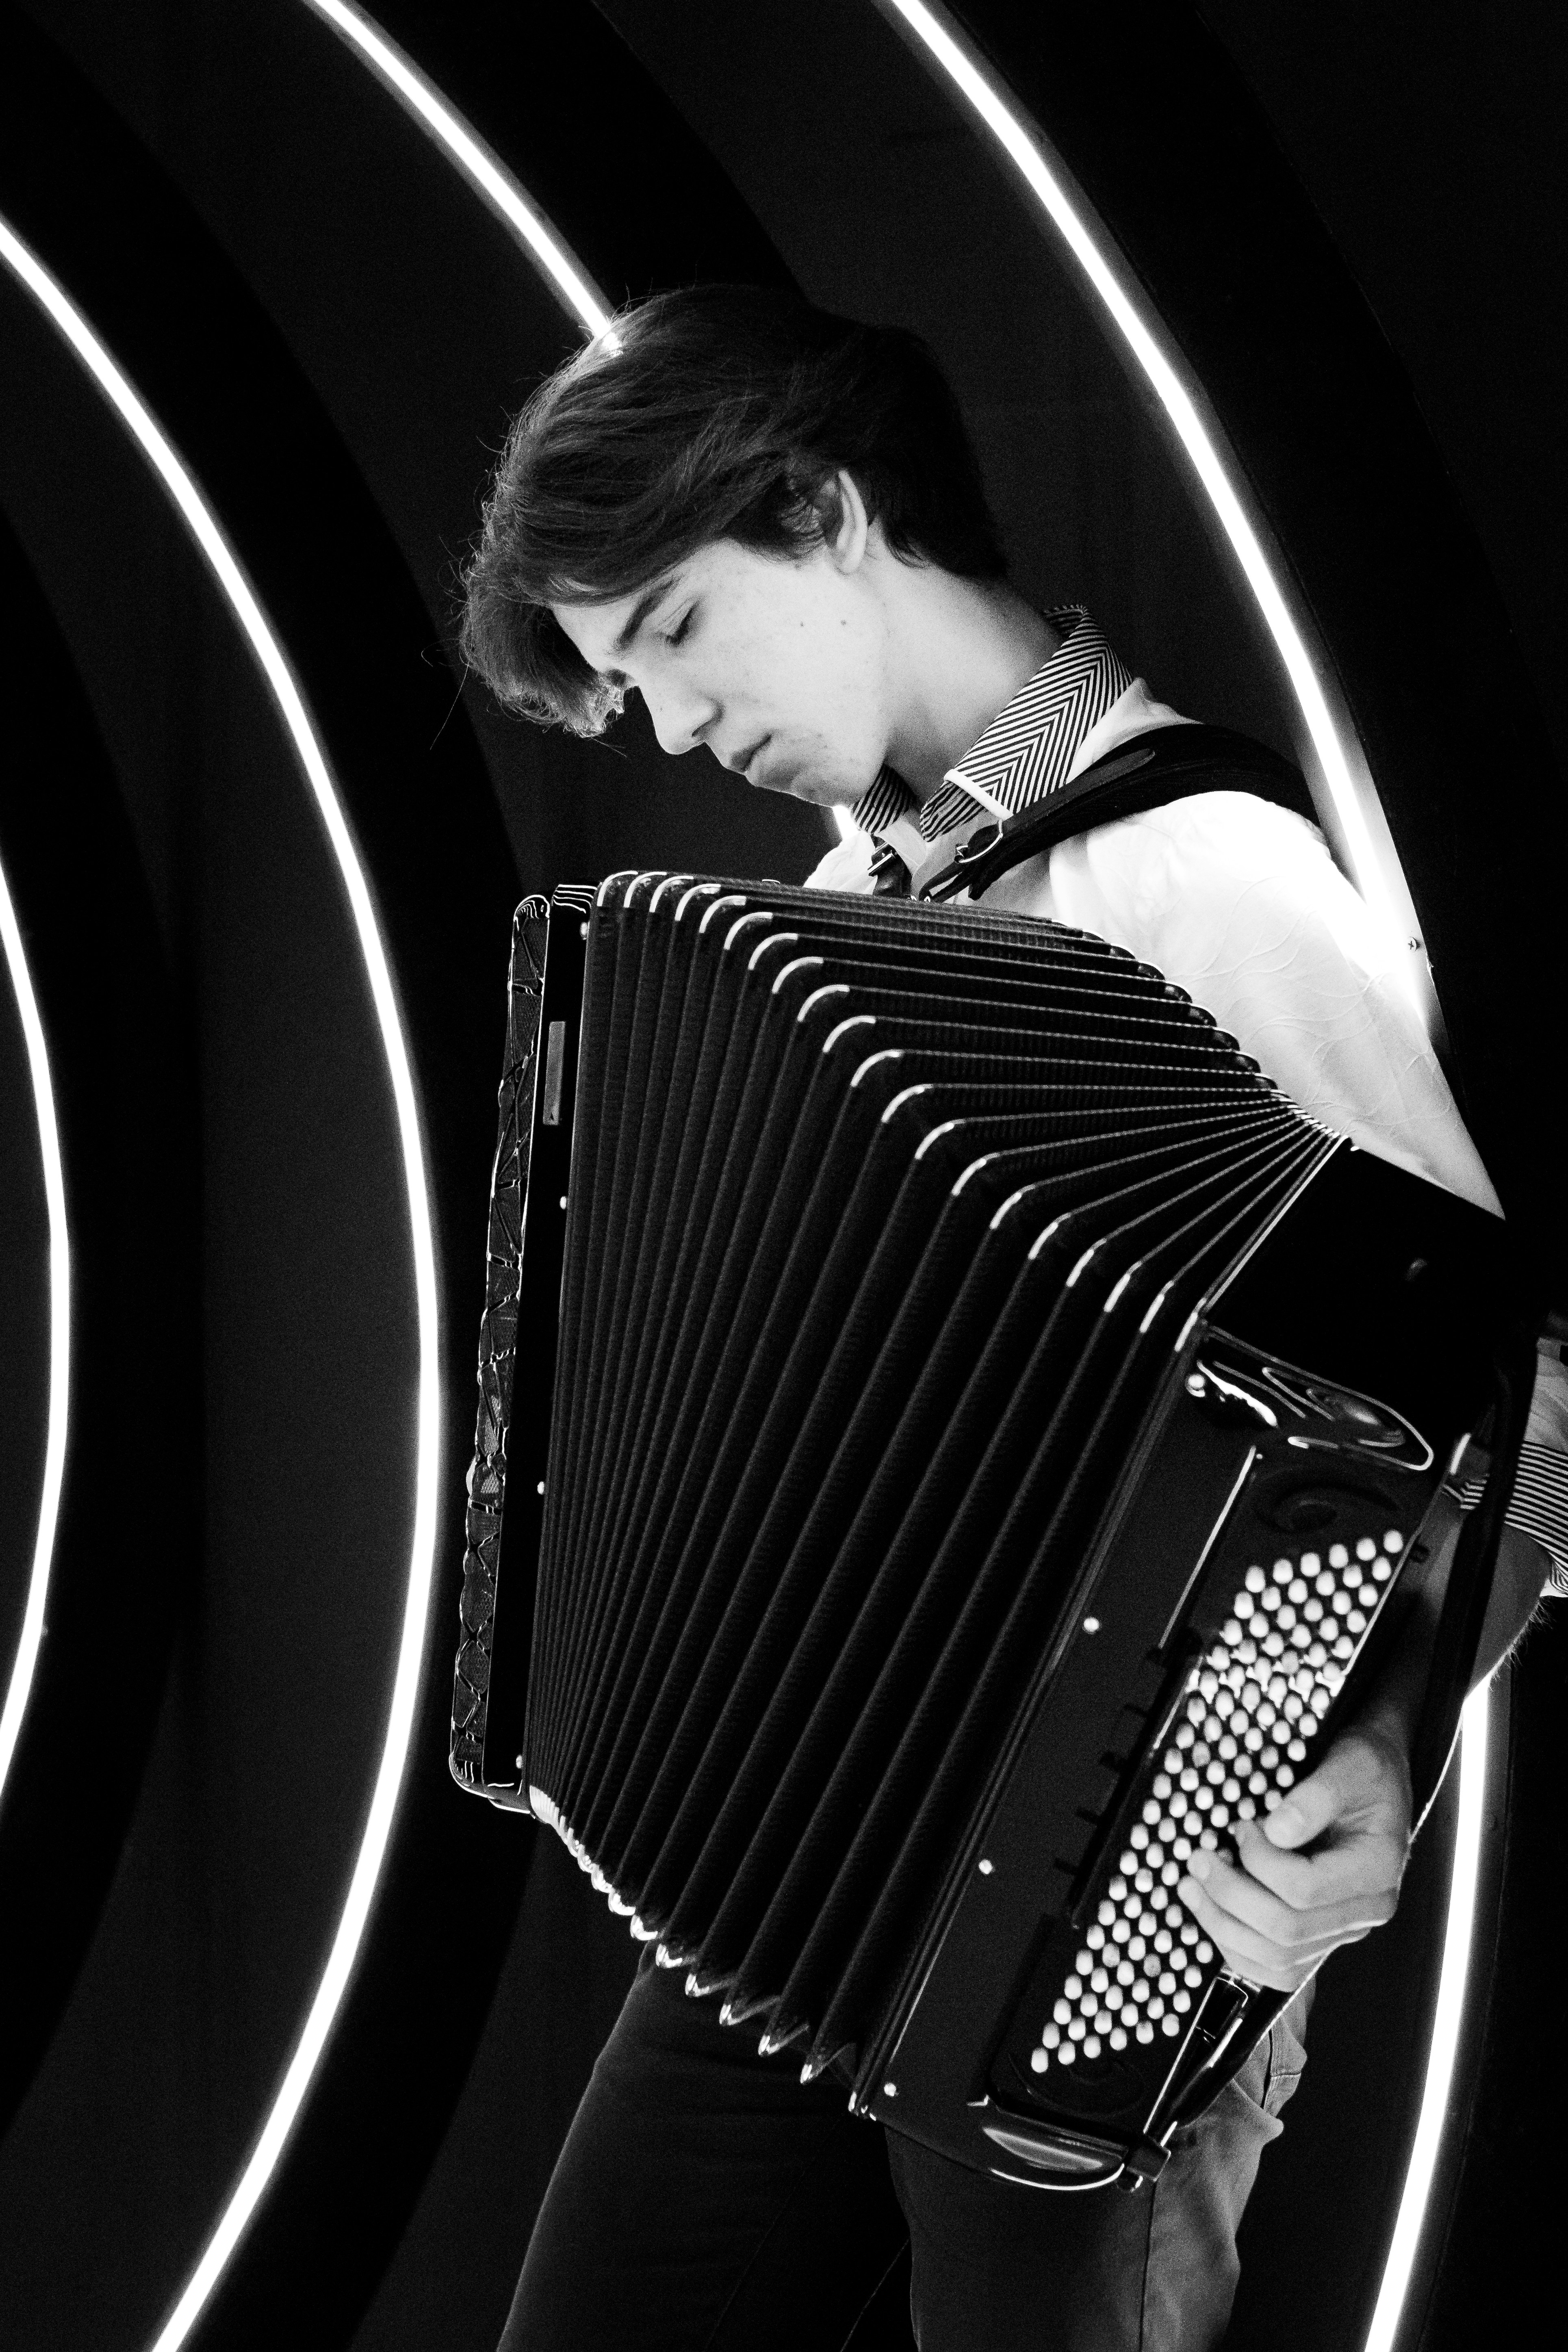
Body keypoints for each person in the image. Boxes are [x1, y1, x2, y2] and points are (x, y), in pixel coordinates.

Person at [459, 284, 1566, 2350]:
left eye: (679, 629)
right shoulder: (854, 917)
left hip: (1107, 1895)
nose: (678, 728)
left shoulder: (1204, 879)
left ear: (828, 511)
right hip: (794, 1868)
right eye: (627, 687)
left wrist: (1390, 1739)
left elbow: (1512, 1401)